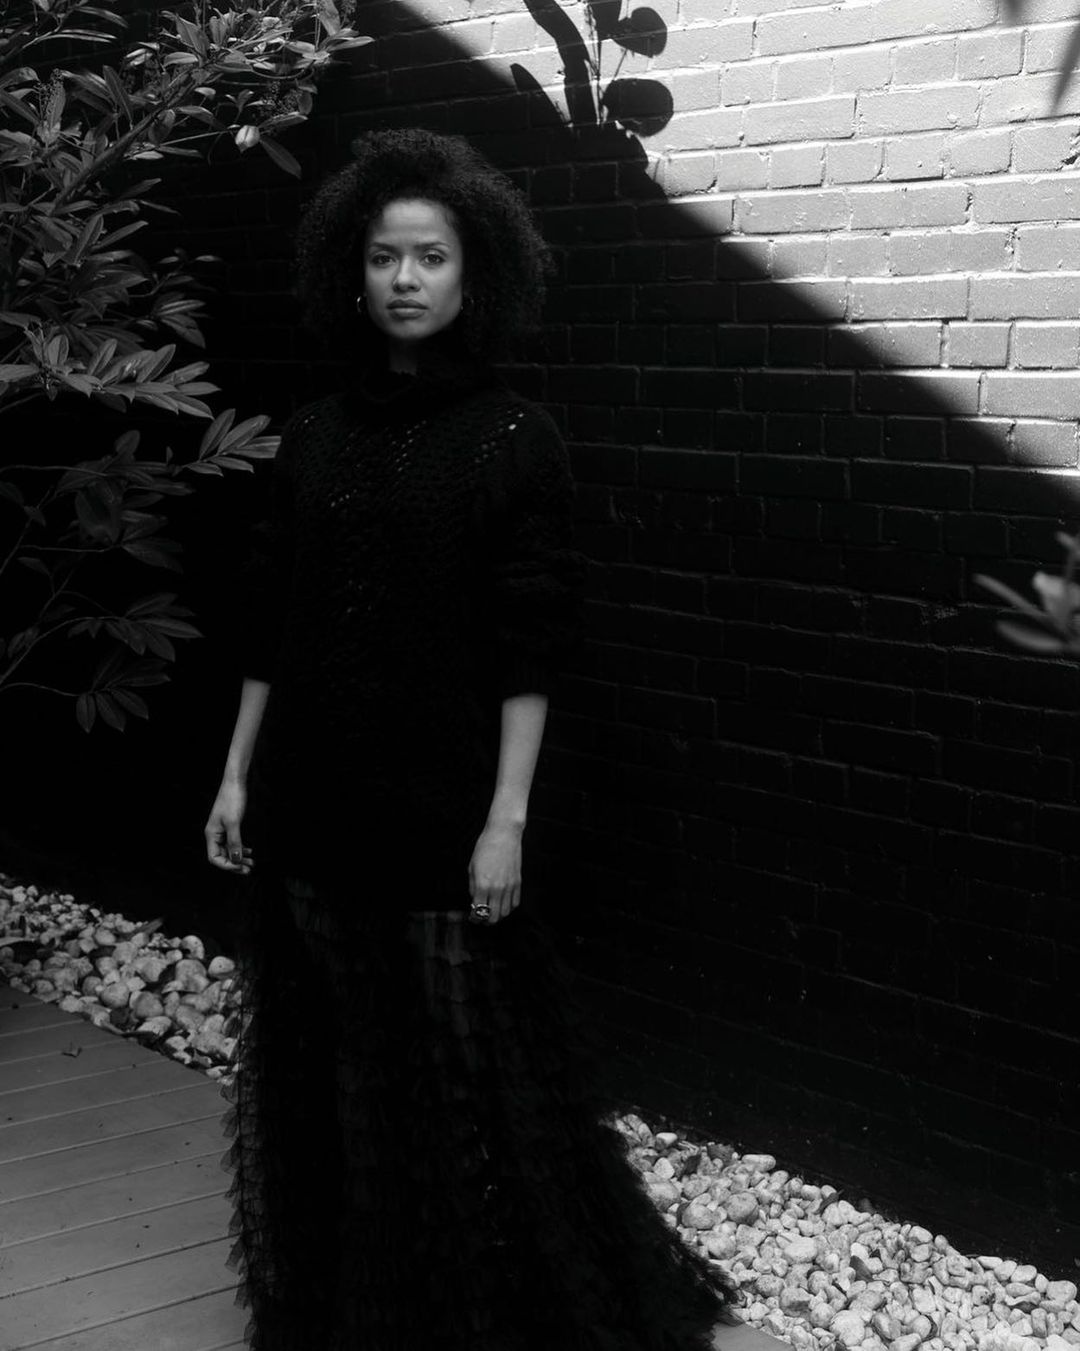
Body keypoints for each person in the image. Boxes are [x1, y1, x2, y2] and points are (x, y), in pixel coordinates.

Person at [204, 127, 744, 1351]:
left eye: (430, 256)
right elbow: (272, 619)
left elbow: (531, 644)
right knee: (337, 1059)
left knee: (468, 1060)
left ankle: (495, 1308)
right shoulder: (315, 433)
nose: (405, 278)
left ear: (472, 272)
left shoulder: (512, 437)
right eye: (384, 256)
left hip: (443, 797)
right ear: (352, 272)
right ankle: (363, 1302)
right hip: (314, 793)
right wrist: (235, 774)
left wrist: (506, 819)